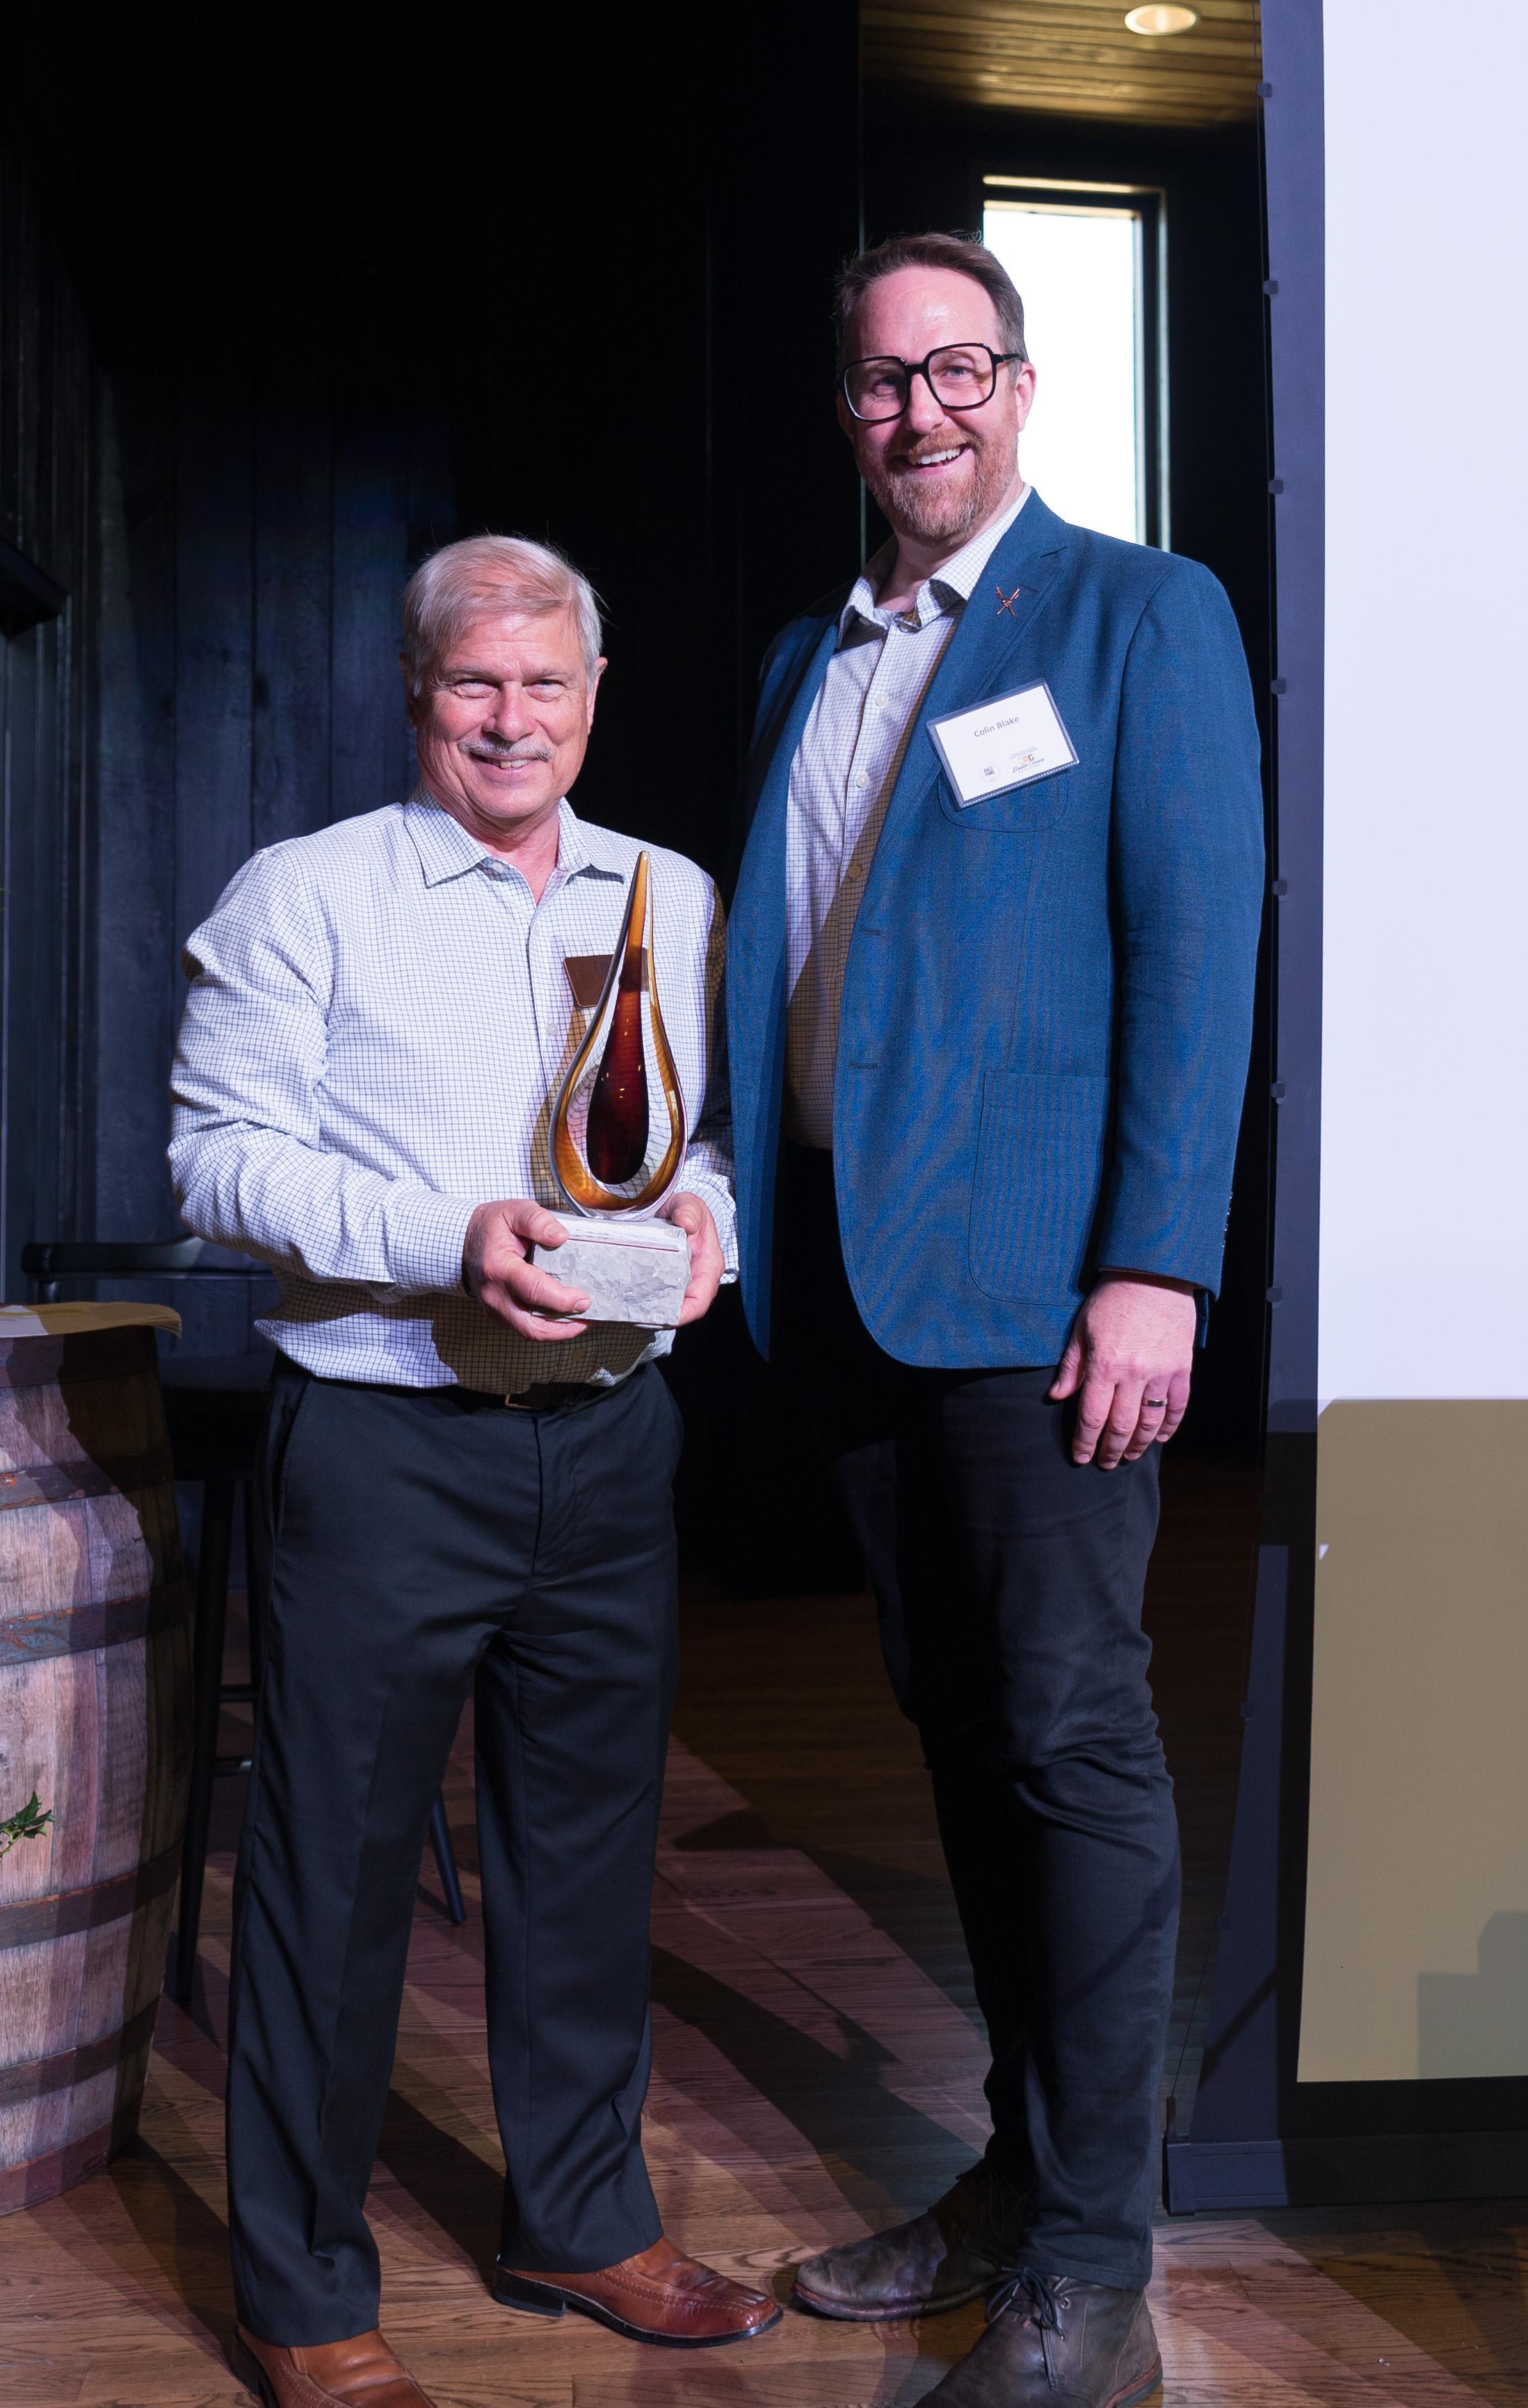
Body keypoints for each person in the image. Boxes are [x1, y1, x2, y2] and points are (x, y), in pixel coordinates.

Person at [725, 233, 1264, 2407]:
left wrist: (1158, 1262)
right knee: (963, 1737)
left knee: (1067, 1739)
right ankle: (1012, 2174)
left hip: (1046, 1296)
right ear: (843, 413)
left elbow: (1190, 952)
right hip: (853, 1288)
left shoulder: (1137, 616)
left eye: (956, 370)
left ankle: (1089, 2249)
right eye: (877, 382)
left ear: (1021, 389)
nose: (918, 412)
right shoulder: (806, 654)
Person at [171, 535, 778, 2408]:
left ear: (594, 699)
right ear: (417, 693)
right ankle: (300, 2296)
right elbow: (213, 1164)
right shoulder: (307, 895)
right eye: (473, 685)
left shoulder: (669, 894)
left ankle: (581, 2220)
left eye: (546, 686)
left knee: (588, 1866)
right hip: (381, 1446)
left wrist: (709, 1237)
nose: (511, 721)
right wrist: (455, 1231)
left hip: (608, 1442)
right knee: (331, 1883)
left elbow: (710, 1145)